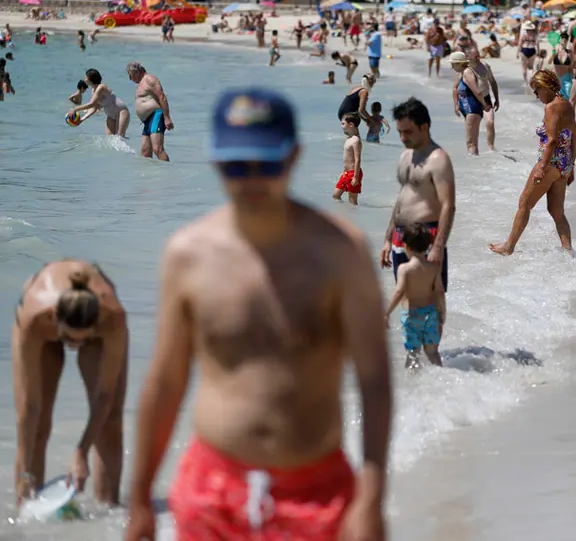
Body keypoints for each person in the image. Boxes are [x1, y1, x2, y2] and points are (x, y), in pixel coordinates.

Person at [124, 88, 392, 541]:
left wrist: (371, 497)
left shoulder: (340, 252)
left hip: (318, 495)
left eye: (266, 165)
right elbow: (166, 382)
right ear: (213, 161)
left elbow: (374, 381)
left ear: (294, 158)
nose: (250, 181)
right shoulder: (188, 254)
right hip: (211, 492)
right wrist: (138, 500)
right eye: (234, 166)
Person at [13, 261, 127, 506]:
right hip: (43, 333)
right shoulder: (34, 318)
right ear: (54, 316)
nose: (73, 346)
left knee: (110, 424)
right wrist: (23, 470)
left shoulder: (113, 318)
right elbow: (29, 407)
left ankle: (108, 512)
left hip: (95, 329)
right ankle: (29, 509)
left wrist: (81, 452)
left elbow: (105, 395)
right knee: (38, 424)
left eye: (80, 340)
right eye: (67, 338)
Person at [490, 70, 576, 256]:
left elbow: (552, 140)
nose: (536, 96)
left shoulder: (551, 107)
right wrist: (571, 166)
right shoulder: (566, 105)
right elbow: (575, 138)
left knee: (524, 203)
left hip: (550, 163)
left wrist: (541, 167)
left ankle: (509, 246)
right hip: (563, 165)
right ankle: (569, 252)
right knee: (556, 211)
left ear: (545, 87)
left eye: (537, 91)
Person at [381, 98, 455, 293]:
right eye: (400, 132)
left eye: (408, 132)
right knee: (405, 299)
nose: (403, 138)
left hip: (426, 238)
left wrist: (439, 246)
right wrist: (388, 238)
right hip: (401, 236)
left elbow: (448, 205)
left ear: (425, 127)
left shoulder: (438, 159)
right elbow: (402, 198)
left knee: (430, 302)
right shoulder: (406, 155)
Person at [384, 223, 445, 370]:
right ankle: (441, 377)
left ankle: (414, 386)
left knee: (413, 353)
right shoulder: (434, 268)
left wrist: (386, 312)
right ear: (428, 246)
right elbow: (439, 293)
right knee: (432, 353)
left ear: (406, 247)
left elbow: (399, 292)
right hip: (431, 315)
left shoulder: (404, 269)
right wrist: (442, 313)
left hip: (412, 317)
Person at [127, 61, 173, 161]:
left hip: (156, 115)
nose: (130, 79)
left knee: (157, 149)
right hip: (147, 121)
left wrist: (167, 117)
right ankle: (151, 175)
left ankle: (167, 173)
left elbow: (162, 97)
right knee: (145, 152)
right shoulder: (141, 83)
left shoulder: (150, 79)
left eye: (130, 75)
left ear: (136, 71)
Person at [68, 68, 131, 138]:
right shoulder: (93, 90)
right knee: (110, 140)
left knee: (120, 138)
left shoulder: (101, 87)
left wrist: (75, 109)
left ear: (90, 79)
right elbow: (94, 108)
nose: (84, 78)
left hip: (121, 112)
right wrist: (82, 119)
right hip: (111, 116)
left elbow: (91, 104)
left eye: (86, 77)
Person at [450, 51, 491, 156]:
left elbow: (476, 91)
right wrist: (456, 104)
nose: (451, 67)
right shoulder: (461, 73)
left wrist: (484, 104)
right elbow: (455, 88)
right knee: (471, 143)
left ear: (459, 63)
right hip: (467, 109)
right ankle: (474, 164)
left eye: (453, 64)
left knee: (471, 143)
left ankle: (475, 165)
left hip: (473, 109)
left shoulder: (468, 72)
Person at [467, 44, 500, 151]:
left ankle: (491, 148)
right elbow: (456, 87)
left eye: (478, 56)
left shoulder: (485, 66)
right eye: (475, 56)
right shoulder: (465, 69)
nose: (478, 58)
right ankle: (473, 152)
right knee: (473, 129)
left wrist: (497, 99)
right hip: (472, 100)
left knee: (490, 122)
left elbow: (493, 82)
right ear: (469, 57)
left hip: (486, 99)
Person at [333, 112, 363, 205]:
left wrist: (355, 176)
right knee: (336, 195)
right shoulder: (348, 138)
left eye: (343, 124)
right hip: (346, 173)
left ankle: (353, 216)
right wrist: (343, 172)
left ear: (351, 124)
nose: (341, 126)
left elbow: (357, 159)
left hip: (353, 173)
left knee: (352, 201)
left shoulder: (355, 140)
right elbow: (347, 159)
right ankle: (343, 212)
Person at [550, 31, 574, 99]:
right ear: (559, 39)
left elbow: (572, 67)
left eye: (566, 38)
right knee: (556, 100)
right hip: (556, 79)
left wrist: (573, 79)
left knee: (567, 99)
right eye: (562, 37)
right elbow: (549, 62)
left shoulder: (570, 52)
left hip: (567, 79)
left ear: (567, 40)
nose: (564, 39)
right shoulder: (555, 49)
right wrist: (554, 53)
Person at [518, 20, 539, 87]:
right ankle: (531, 81)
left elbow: (520, 43)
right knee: (531, 67)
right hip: (532, 49)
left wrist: (517, 52)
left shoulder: (524, 34)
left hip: (525, 49)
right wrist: (538, 51)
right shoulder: (534, 34)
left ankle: (526, 83)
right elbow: (537, 43)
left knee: (524, 68)